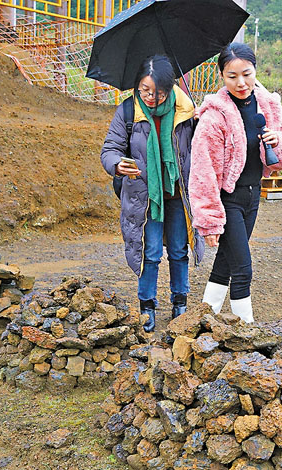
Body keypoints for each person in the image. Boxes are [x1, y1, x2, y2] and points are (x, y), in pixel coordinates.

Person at [189, 42, 282, 323]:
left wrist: (279, 141)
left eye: (247, 74)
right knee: (242, 268)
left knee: (226, 262)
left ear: (255, 70)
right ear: (222, 77)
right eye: (232, 76)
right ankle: (246, 332)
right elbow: (203, 173)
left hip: (253, 196)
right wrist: (209, 221)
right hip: (228, 199)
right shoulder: (214, 117)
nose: (241, 83)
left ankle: (204, 319)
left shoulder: (269, 106)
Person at [100, 55, 204, 332]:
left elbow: (203, 148)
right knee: (151, 252)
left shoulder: (186, 112)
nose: (149, 96)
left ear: (170, 89)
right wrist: (116, 164)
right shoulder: (127, 112)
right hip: (145, 199)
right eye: (144, 90)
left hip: (179, 195)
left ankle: (180, 302)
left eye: (157, 92)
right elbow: (110, 149)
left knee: (180, 250)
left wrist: (204, 120)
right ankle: (147, 305)